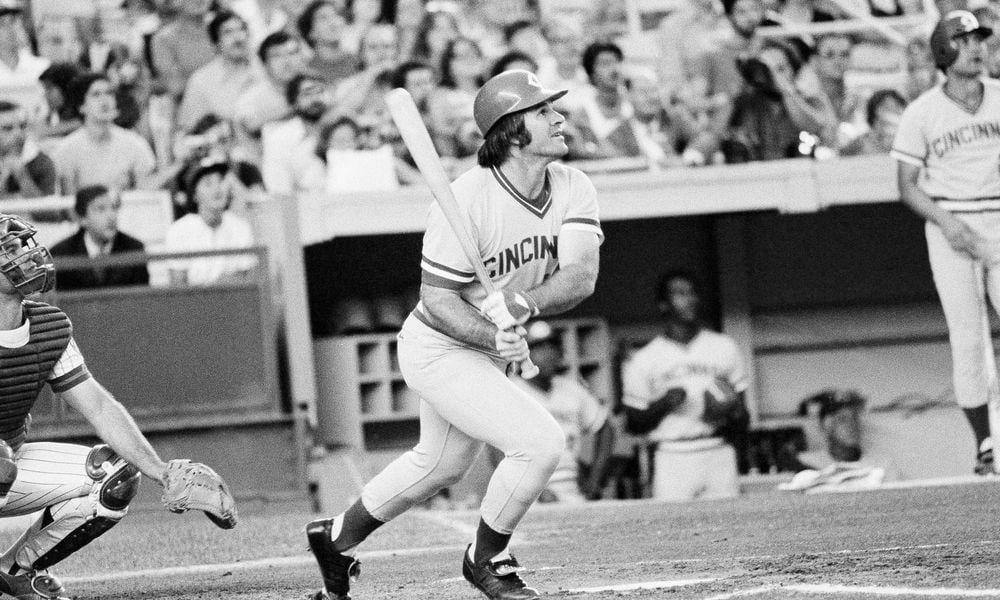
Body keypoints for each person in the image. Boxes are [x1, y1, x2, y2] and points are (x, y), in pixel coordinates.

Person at [305, 69, 603, 600]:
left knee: (440, 463)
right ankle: (487, 559)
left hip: (484, 346)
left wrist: (523, 303)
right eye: (543, 112)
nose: (560, 118)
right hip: (438, 346)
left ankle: (334, 540)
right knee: (539, 444)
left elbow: (580, 276)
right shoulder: (465, 197)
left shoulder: (573, 185)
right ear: (511, 131)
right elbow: (438, 301)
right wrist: (495, 337)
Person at [0, 212, 232, 600]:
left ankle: (15, 569)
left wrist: (161, 472)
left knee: (114, 476)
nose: (26, 256)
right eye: (8, 250)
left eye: (21, 246)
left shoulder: (48, 326)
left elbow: (100, 408)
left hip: (8, 465)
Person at [891, 10, 1000, 476]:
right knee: (968, 336)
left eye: (979, 39)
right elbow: (907, 185)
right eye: (964, 39)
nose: (976, 47)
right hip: (950, 220)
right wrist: (949, 224)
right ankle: (985, 444)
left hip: (997, 215)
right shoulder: (922, 112)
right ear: (943, 49)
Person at [620, 270, 749, 502]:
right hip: (672, 454)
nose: (689, 299)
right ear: (663, 304)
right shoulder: (646, 358)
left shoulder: (723, 346)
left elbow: (743, 415)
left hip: (717, 449)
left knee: (732, 525)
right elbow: (633, 423)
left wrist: (730, 409)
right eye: (679, 294)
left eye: (692, 293)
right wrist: (664, 404)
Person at [509, 321, 612, 503]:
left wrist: (595, 481)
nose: (548, 354)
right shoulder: (511, 391)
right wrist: (533, 491)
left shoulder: (571, 389)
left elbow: (605, 428)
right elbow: (495, 450)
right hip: (527, 495)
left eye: (552, 346)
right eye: (538, 348)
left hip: (572, 488)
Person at [52, 72, 156, 194]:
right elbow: (68, 204)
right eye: (96, 95)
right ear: (82, 106)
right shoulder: (66, 149)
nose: (105, 100)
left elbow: (146, 191)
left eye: (109, 93)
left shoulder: (135, 144)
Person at [777, 389, 892, 493]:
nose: (852, 425)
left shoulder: (881, 464)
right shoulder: (805, 463)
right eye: (842, 419)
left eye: (855, 418)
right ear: (826, 425)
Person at [164, 161, 257, 286]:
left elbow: (248, 278)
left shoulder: (240, 227)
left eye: (221, 181)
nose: (217, 188)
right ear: (195, 195)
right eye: (208, 183)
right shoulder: (179, 230)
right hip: (194, 303)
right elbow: (178, 286)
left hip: (234, 301)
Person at [176, 10, 265, 132]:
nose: (238, 38)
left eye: (242, 30)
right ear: (216, 43)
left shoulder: (265, 68)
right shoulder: (201, 81)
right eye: (228, 32)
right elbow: (189, 130)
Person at [49, 184, 150, 290]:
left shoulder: (134, 249)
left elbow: (142, 301)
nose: (111, 216)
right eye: (101, 209)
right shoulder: (60, 254)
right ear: (82, 218)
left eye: (113, 208)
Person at [0, 100, 56, 198]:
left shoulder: (42, 162)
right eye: (7, 128)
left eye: (22, 126)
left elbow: (50, 212)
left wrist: (22, 177)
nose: (18, 134)